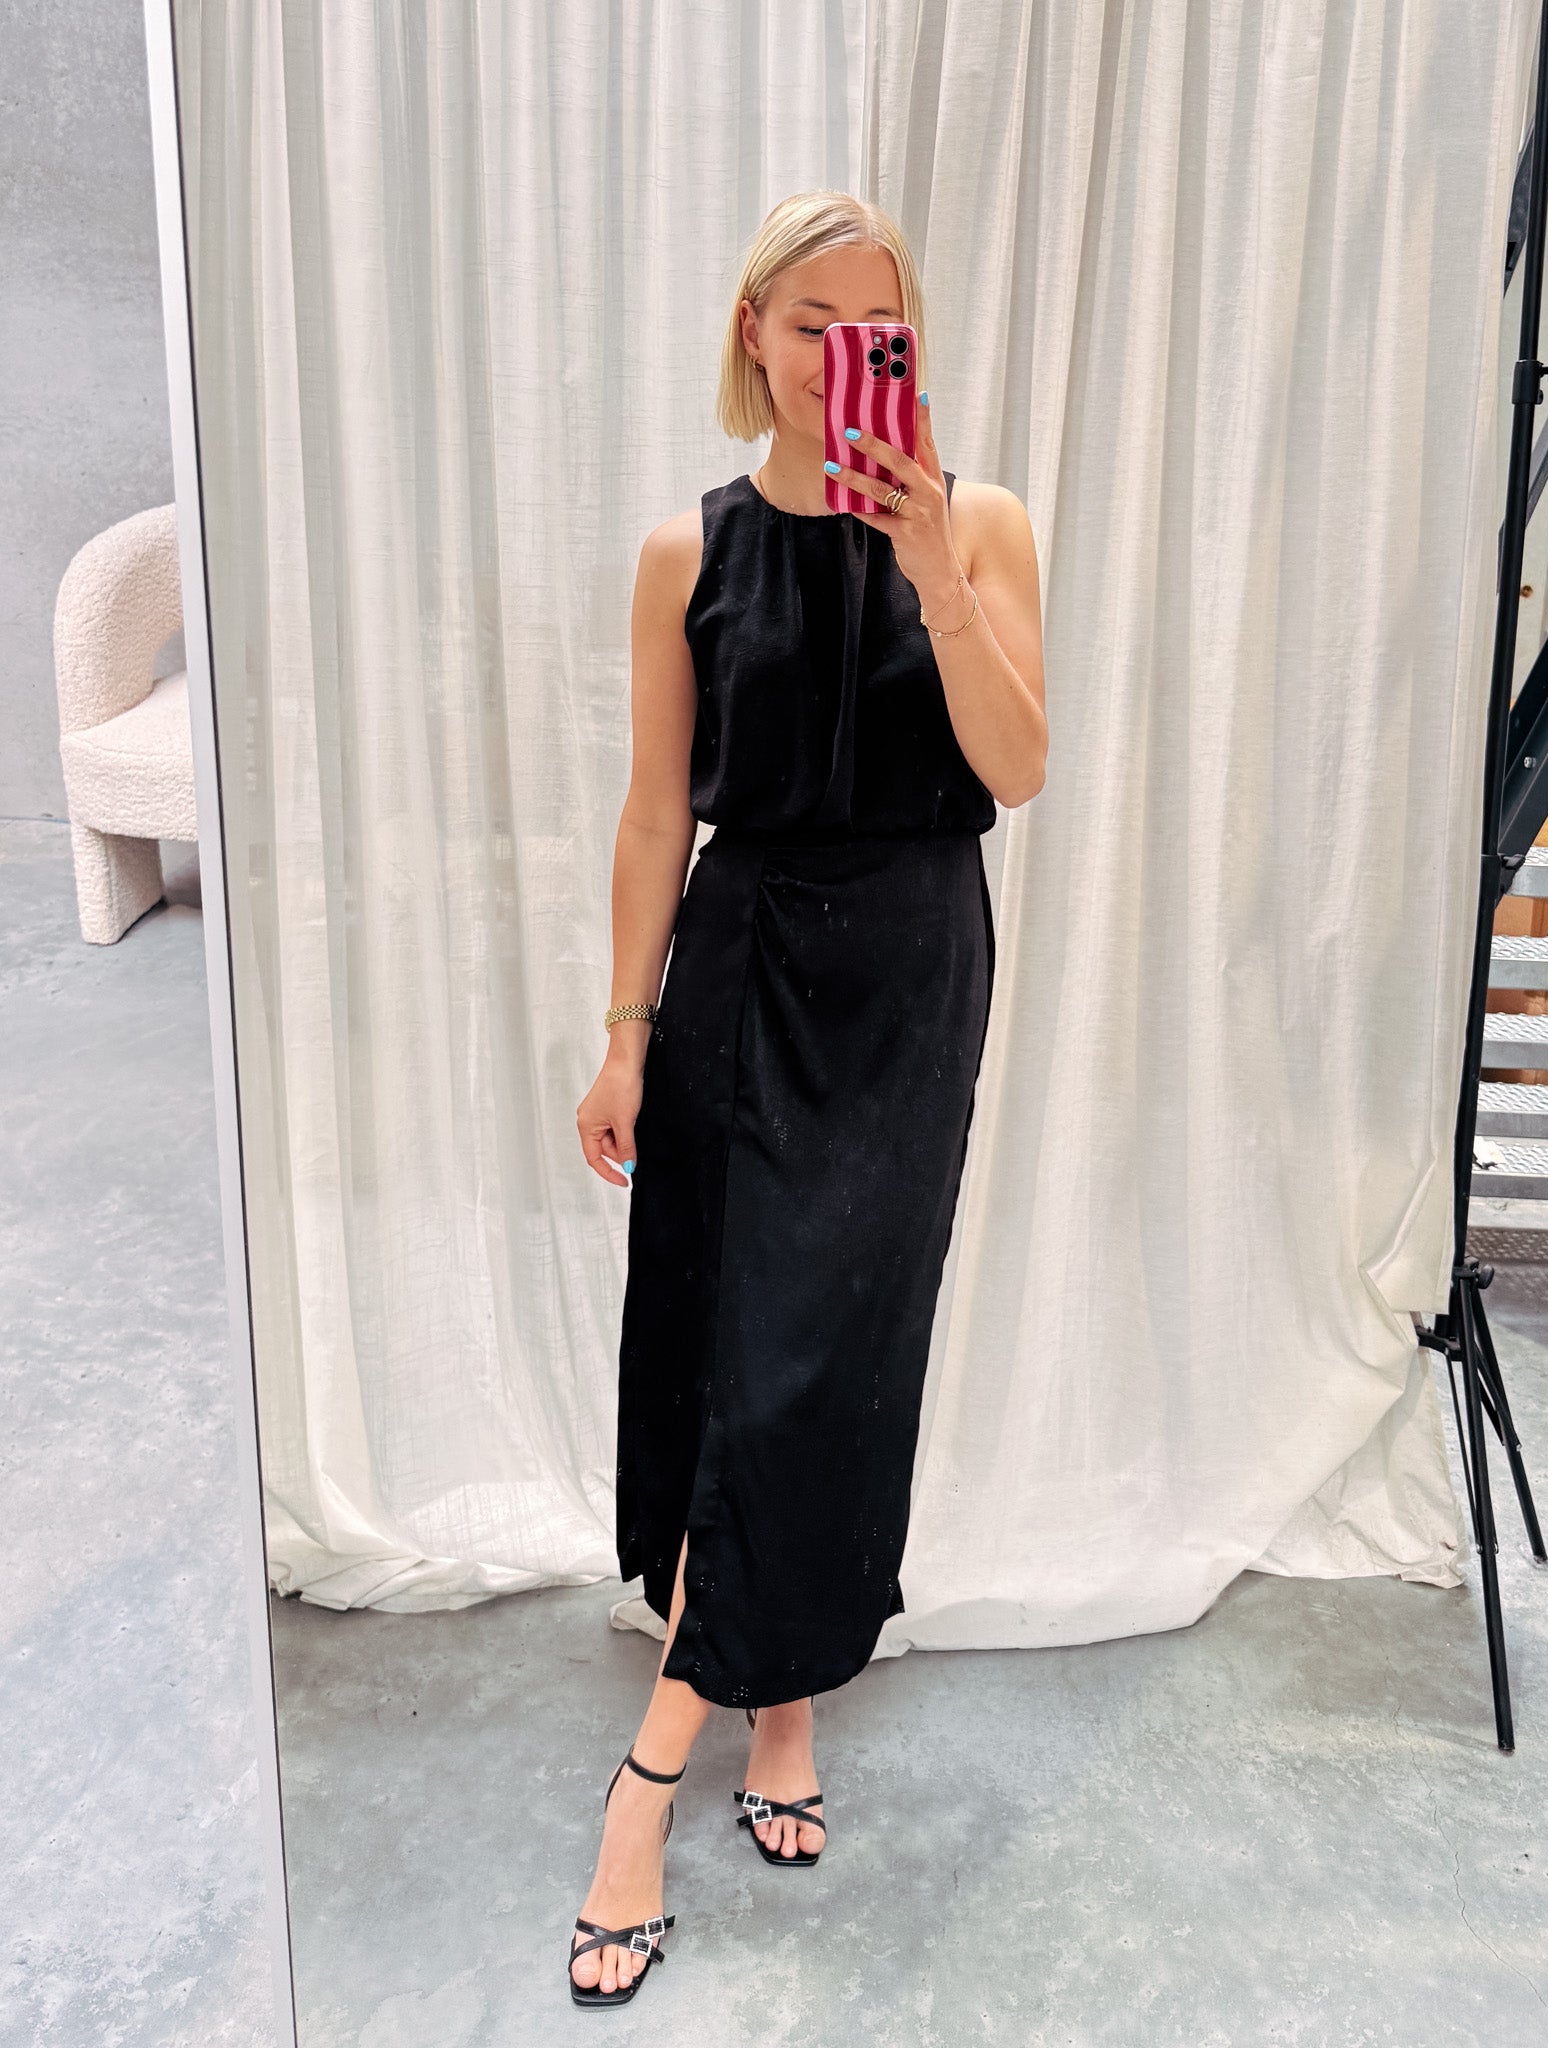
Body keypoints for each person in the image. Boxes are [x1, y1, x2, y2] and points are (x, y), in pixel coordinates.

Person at [570, 189, 1047, 2007]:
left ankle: (736, 1726)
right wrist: (624, 1032)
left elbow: (1018, 766)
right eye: (811, 326)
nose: (843, 356)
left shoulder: (979, 523)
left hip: (910, 976)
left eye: (879, 330)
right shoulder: (680, 553)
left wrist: (933, 571)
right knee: (730, 1348)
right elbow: (652, 811)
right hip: (740, 962)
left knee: (834, 1354)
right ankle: (707, 1734)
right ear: (752, 334)